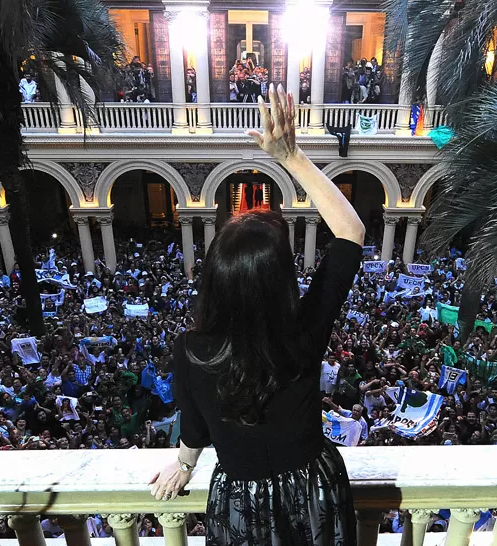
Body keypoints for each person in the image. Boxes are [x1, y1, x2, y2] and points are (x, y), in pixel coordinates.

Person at [148, 84, 365, 545]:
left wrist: (184, 465)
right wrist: (291, 157)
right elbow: (350, 232)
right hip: (314, 490)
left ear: (216, 278)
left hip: (240, 502)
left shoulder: (191, 350)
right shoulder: (304, 331)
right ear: (281, 278)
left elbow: (195, 427)